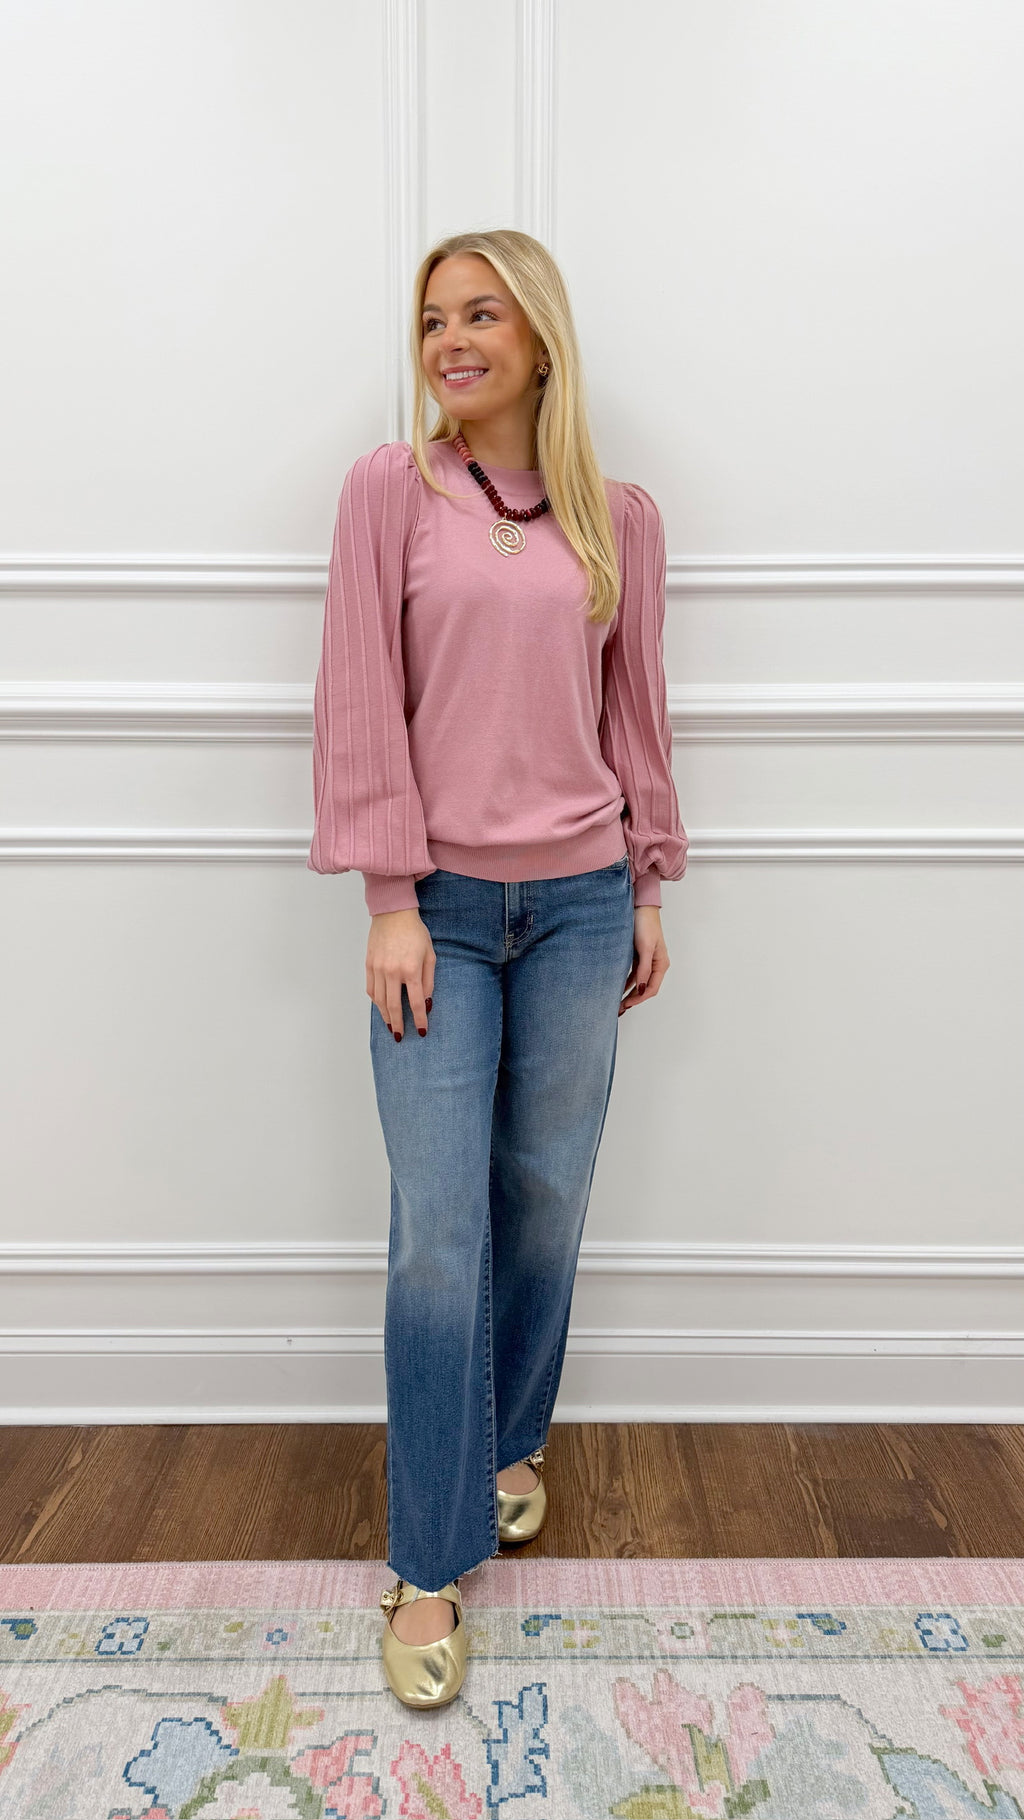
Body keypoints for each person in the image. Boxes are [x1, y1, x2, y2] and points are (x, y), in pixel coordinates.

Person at [307, 228, 688, 1708]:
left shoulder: (618, 519)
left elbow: (634, 710)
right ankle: (426, 1561)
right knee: (436, 1228)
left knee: (544, 1194)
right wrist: (390, 900)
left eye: (479, 315)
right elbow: (360, 692)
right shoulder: (388, 491)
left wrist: (644, 884)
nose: (450, 341)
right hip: (443, 913)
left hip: (584, 905)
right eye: (430, 320)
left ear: (538, 339)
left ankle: (511, 1440)